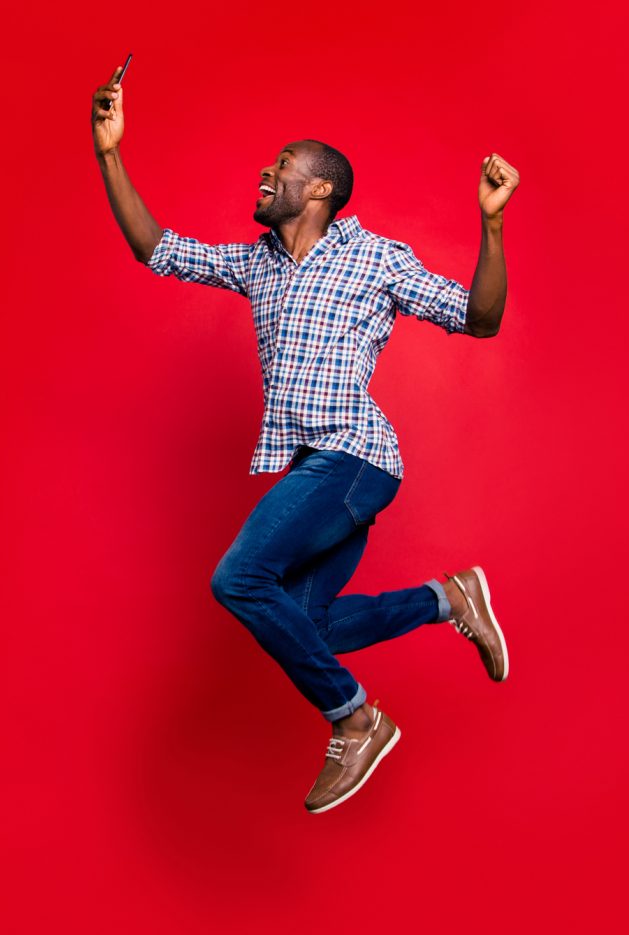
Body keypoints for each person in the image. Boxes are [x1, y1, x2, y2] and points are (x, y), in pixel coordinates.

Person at [91, 65, 518, 813]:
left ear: (319, 189)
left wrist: (490, 223)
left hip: (353, 456)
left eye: (281, 164)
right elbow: (155, 249)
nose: (266, 171)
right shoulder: (256, 265)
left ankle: (354, 718)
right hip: (315, 465)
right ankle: (447, 599)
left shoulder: (375, 258)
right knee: (312, 624)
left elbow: (479, 319)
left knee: (239, 580)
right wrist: (109, 154)